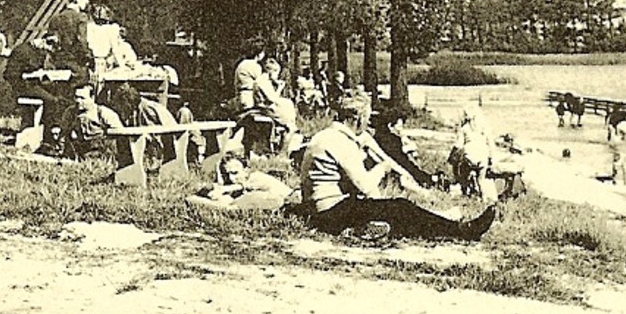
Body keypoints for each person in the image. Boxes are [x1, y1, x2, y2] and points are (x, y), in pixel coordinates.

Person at [300, 98, 495, 241]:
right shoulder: (341, 142)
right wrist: (382, 168)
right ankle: (461, 230)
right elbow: (365, 187)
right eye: (366, 118)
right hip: (330, 213)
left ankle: (429, 224)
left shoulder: (325, 135)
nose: (368, 124)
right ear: (356, 118)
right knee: (401, 206)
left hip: (319, 209)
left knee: (395, 211)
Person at [187, 152, 292, 212]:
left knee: (229, 206)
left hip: (286, 200)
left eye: (235, 173)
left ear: (246, 170)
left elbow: (242, 186)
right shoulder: (242, 189)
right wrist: (219, 173)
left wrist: (223, 189)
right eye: (226, 174)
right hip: (276, 202)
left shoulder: (256, 176)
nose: (231, 178)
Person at [371, 106, 439, 188]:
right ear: (390, 126)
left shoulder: (381, 136)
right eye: (399, 127)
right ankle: (429, 179)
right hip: (399, 172)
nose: (401, 130)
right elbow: (404, 163)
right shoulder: (392, 140)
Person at [63, 82, 126, 160]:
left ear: (92, 97)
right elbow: (64, 134)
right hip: (79, 154)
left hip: (102, 155)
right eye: (76, 97)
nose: (78, 101)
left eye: (82, 98)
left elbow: (121, 134)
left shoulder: (104, 113)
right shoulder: (70, 112)